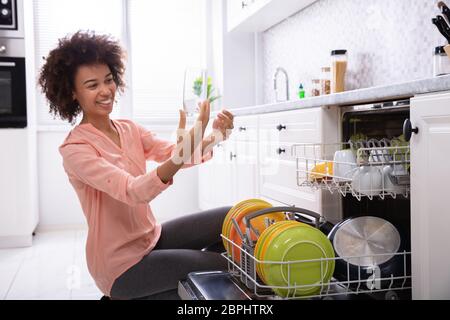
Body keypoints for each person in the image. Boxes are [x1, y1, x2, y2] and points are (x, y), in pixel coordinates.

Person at [38, 31, 235, 300]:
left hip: (150, 238)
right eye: (92, 85)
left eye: (108, 80)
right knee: (229, 269)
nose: (106, 91)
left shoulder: (128, 129)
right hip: (121, 265)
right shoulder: (76, 149)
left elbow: (173, 154)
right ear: (73, 93)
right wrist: (182, 151)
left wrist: (215, 136)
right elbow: (133, 191)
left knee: (231, 218)